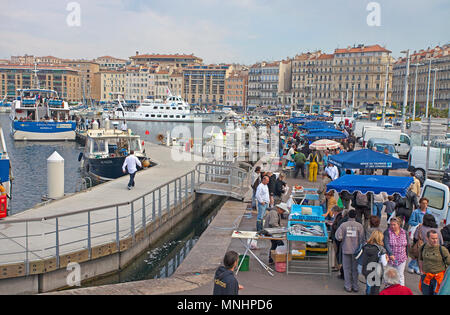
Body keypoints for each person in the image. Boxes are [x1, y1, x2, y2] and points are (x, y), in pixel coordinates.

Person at [335, 209, 365, 293]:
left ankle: (348, 286)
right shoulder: (359, 226)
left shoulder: (343, 225)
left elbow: (338, 237)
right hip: (356, 251)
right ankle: (355, 286)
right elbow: (362, 239)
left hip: (346, 249)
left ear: (348, 215)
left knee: (346, 268)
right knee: (355, 269)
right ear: (355, 216)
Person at [418, 230, 450, 295]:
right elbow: (420, 259)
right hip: (426, 277)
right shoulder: (423, 247)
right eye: (433, 238)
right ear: (427, 238)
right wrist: (421, 271)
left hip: (438, 279)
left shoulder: (442, 250)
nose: (435, 240)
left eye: (436, 238)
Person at [383, 217, 410, 286]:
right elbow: (386, 244)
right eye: (391, 224)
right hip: (390, 258)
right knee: (389, 276)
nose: (392, 226)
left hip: (402, 258)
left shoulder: (404, 232)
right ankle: (388, 290)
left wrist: (406, 255)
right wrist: (390, 254)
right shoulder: (387, 232)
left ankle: (401, 291)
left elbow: (407, 245)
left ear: (399, 224)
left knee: (400, 275)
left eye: (394, 224)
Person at [360, 230, 388, 295]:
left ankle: (367, 292)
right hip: (376, 270)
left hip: (366, 269)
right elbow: (384, 263)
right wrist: (387, 259)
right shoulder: (381, 249)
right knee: (375, 288)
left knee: (368, 283)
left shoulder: (366, 246)